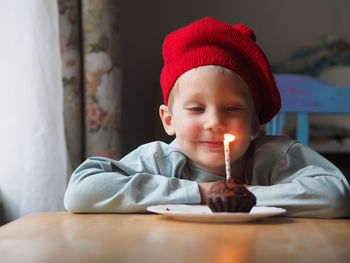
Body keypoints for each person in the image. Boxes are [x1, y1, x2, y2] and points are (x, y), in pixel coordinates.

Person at [64, 17, 350, 218]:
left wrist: (242, 198)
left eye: (232, 108)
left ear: (255, 121)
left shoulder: (276, 157)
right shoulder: (159, 161)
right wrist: (206, 192)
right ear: (169, 120)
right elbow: (80, 191)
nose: (214, 122)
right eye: (197, 109)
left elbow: (335, 196)